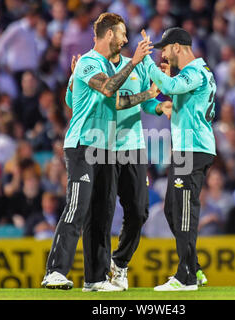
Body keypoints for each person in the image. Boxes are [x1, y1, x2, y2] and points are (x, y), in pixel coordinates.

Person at [41, 13, 153, 292]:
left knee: (102, 214)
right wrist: (136, 63)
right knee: (77, 206)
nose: (126, 40)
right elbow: (107, 89)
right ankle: (54, 271)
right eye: (122, 34)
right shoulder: (89, 62)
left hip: (107, 147)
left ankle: (95, 278)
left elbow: (83, 99)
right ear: (109, 35)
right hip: (82, 145)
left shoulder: (102, 65)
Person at [65, 42, 172, 291]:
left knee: (139, 209)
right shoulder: (94, 68)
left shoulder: (136, 67)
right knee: (102, 211)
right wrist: (72, 81)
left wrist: (160, 105)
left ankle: (119, 263)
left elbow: (146, 102)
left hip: (133, 146)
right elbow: (73, 102)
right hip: (105, 145)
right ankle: (95, 276)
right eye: (121, 36)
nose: (123, 41)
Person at [139, 27, 216, 291]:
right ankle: (193, 267)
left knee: (184, 210)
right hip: (187, 148)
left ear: (178, 47)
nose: (163, 53)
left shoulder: (195, 71)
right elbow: (174, 93)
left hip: (193, 149)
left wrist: (146, 63)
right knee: (173, 208)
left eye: (165, 48)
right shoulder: (195, 73)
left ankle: (186, 278)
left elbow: (171, 87)